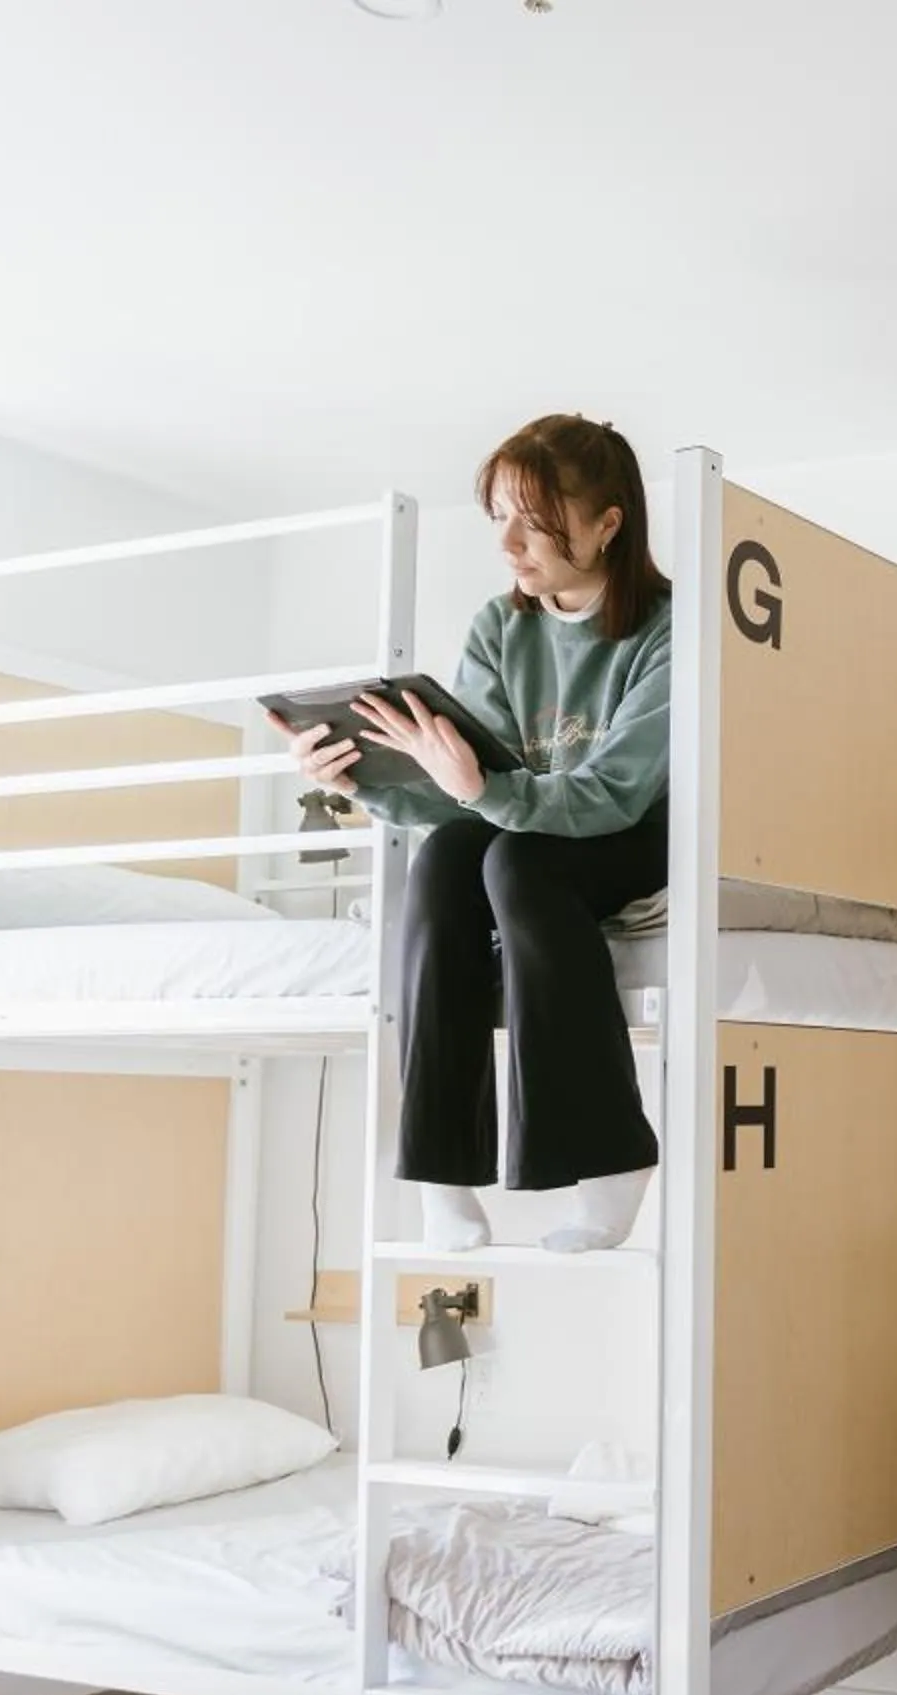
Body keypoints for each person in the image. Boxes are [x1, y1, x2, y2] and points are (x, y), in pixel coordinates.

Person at [273, 414, 671, 1254]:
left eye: (537, 518)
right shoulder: (502, 627)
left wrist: (487, 790)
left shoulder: (668, 631)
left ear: (608, 523)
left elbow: (616, 792)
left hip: (634, 829)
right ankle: (445, 1175)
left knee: (519, 860)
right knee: (453, 855)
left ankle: (612, 1161)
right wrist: (365, 780)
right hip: (528, 827)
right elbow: (466, 796)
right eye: (499, 517)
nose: (511, 543)